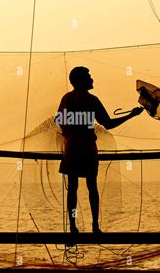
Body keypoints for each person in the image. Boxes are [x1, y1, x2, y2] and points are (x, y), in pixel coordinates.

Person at [55, 66, 143, 234]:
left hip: (72, 146)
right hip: (87, 146)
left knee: (72, 188)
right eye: (89, 77)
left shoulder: (67, 98)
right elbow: (108, 123)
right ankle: (95, 226)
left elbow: (60, 120)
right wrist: (131, 115)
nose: (92, 79)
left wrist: (70, 133)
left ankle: (73, 226)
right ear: (80, 81)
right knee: (92, 186)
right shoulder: (92, 100)